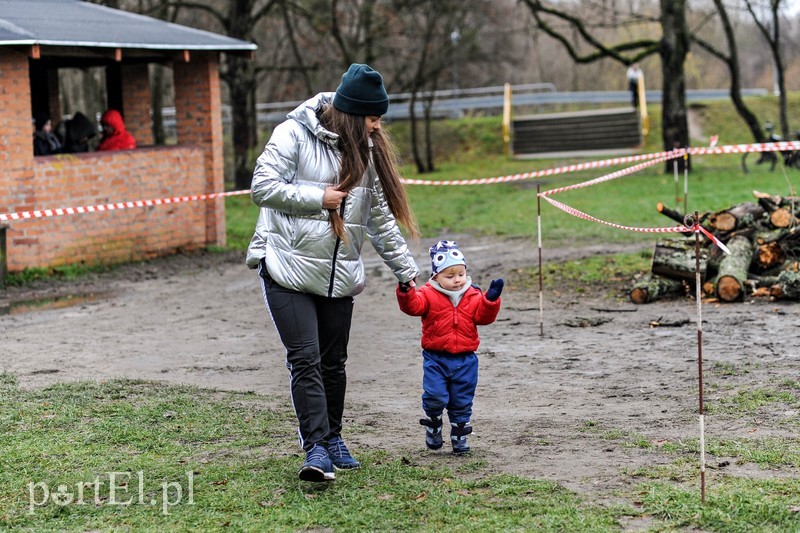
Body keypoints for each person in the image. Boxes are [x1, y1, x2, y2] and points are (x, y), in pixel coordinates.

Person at [245, 63, 420, 482]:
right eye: (373, 119)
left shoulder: (366, 147)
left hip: (338, 272)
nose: (378, 127)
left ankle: (335, 438)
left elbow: (378, 216)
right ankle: (316, 448)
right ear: (354, 114)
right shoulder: (293, 133)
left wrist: (407, 271)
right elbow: (261, 187)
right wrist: (317, 197)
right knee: (305, 359)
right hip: (286, 265)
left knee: (333, 362)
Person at [396, 240, 503, 455]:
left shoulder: (473, 294)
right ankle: (434, 424)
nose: (457, 280)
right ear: (436, 276)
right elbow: (412, 307)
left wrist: (491, 300)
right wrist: (406, 290)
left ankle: (459, 434)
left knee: (462, 398)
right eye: (450, 276)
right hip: (436, 358)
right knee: (435, 395)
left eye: (461, 274)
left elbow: (483, 318)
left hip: (466, 359)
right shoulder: (427, 294)